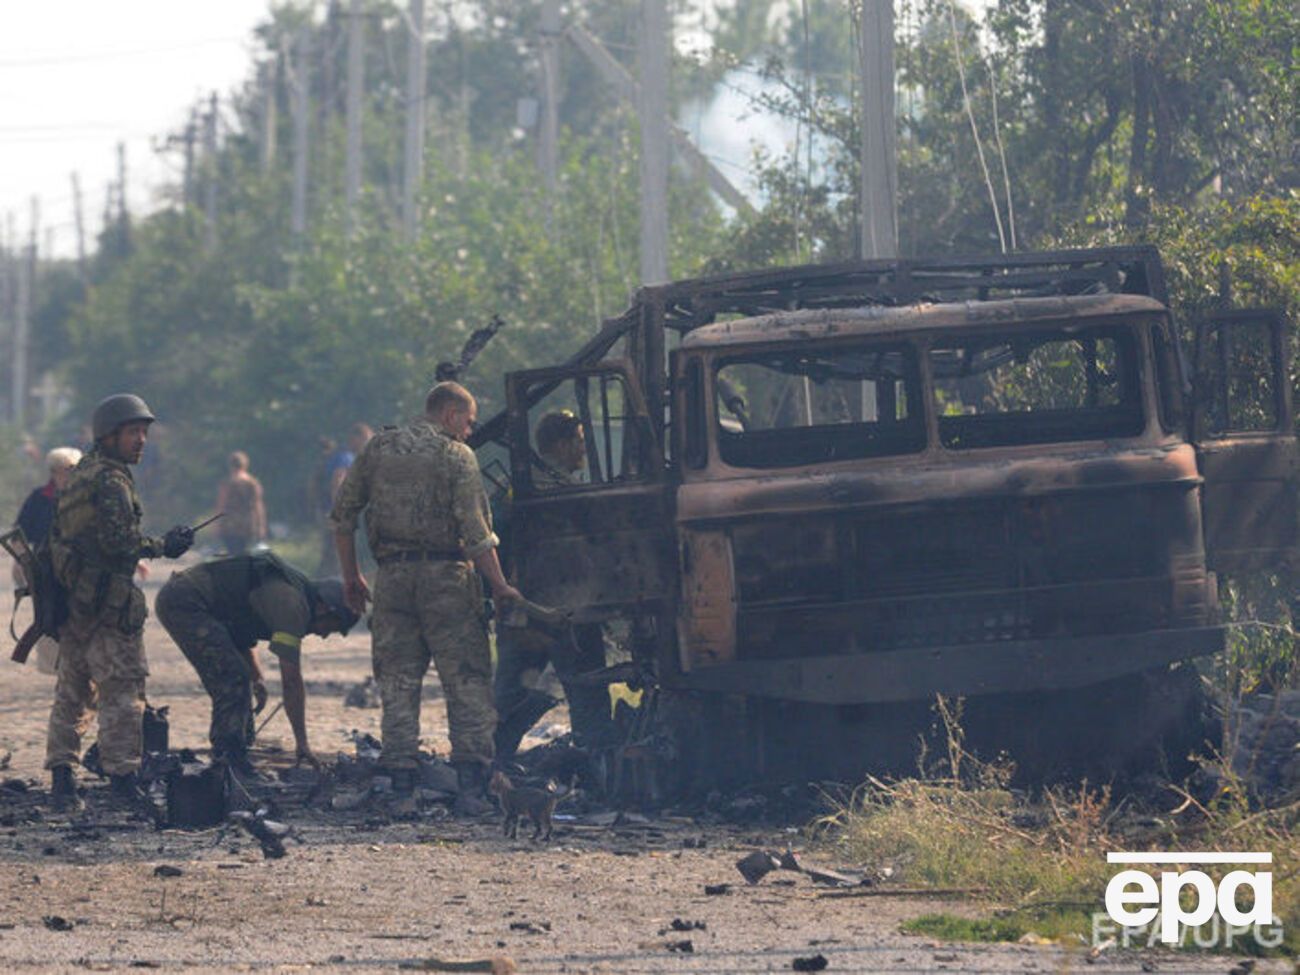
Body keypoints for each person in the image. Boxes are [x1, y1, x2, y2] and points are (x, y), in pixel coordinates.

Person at [331, 382, 521, 813]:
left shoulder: (378, 448)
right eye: (468, 423)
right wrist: (499, 585)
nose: (469, 432)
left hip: (392, 579)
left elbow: (342, 517)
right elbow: (476, 533)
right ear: (451, 414)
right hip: (446, 579)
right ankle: (471, 786)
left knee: (397, 682)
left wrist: (351, 576)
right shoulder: (456, 456)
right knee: (466, 679)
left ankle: (401, 786)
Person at [45, 394, 194, 811]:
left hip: (74, 602)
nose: (141, 440)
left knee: (71, 692)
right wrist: (164, 545)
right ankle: (123, 781)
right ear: (109, 436)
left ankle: (62, 780)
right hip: (108, 607)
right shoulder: (111, 480)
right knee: (123, 692)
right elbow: (118, 542)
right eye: (133, 432)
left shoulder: (80, 474)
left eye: (144, 432)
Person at [156, 551, 358, 777]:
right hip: (185, 602)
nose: (324, 635)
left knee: (240, 676)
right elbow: (291, 682)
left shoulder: (294, 596)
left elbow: (241, 629)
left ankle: (238, 753)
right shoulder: (292, 606)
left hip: (197, 602)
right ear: (324, 608)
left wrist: (257, 678)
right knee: (232, 678)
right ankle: (228, 760)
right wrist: (302, 743)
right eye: (331, 627)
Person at [494, 411, 614, 759]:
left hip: (526, 611)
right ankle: (595, 767)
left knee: (509, 695)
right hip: (570, 612)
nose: (583, 449)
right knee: (588, 697)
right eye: (579, 441)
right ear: (561, 445)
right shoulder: (565, 491)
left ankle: (491, 767)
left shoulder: (513, 485)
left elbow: (492, 541)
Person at [12, 447, 81, 585]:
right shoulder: (38, 499)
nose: (66, 475)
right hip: (45, 569)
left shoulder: (86, 498)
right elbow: (19, 535)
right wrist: (21, 561)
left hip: (80, 571)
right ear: (53, 472)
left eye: (71, 470)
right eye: (60, 470)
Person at [316, 424, 372, 575]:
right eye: (366, 440)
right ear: (355, 438)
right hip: (336, 512)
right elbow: (338, 481)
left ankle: (328, 578)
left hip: (329, 510)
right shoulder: (346, 457)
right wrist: (339, 511)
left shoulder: (340, 456)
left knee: (331, 550)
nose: (367, 445)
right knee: (337, 551)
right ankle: (335, 580)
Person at [215, 451, 267, 555]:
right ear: (245, 464)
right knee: (243, 554)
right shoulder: (252, 483)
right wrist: (261, 526)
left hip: (229, 525)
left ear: (230, 465)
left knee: (232, 554)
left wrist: (217, 525)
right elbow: (258, 506)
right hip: (247, 525)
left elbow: (221, 505)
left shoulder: (227, 483)